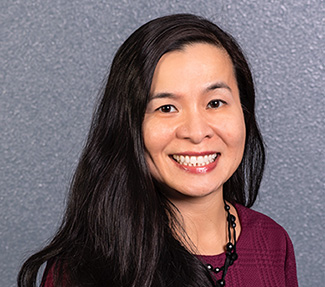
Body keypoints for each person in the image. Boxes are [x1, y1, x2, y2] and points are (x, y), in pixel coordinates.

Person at [18, 14, 298, 287]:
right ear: (129, 126)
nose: (197, 132)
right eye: (166, 108)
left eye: (215, 103)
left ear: (244, 111)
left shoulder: (273, 243)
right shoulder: (84, 267)